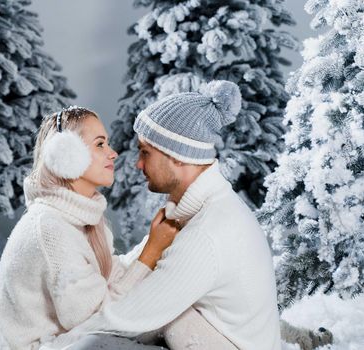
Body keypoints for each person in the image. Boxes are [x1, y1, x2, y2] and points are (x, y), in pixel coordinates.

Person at [43, 80, 297, 350]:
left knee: (97, 343)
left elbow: (129, 316)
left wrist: (58, 342)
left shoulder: (206, 232)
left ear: (178, 156)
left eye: (145, 152)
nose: (137, 163)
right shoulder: (194, 208)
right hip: (220, 336)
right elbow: (135, 268)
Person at [0, 106, 180, 350]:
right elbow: (98, 319)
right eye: (100, 144)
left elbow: (112, 280)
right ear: (67, 154)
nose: (113, 154)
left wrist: (153, 242)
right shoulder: (50, 228)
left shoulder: (79, 219)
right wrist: (150, 254)